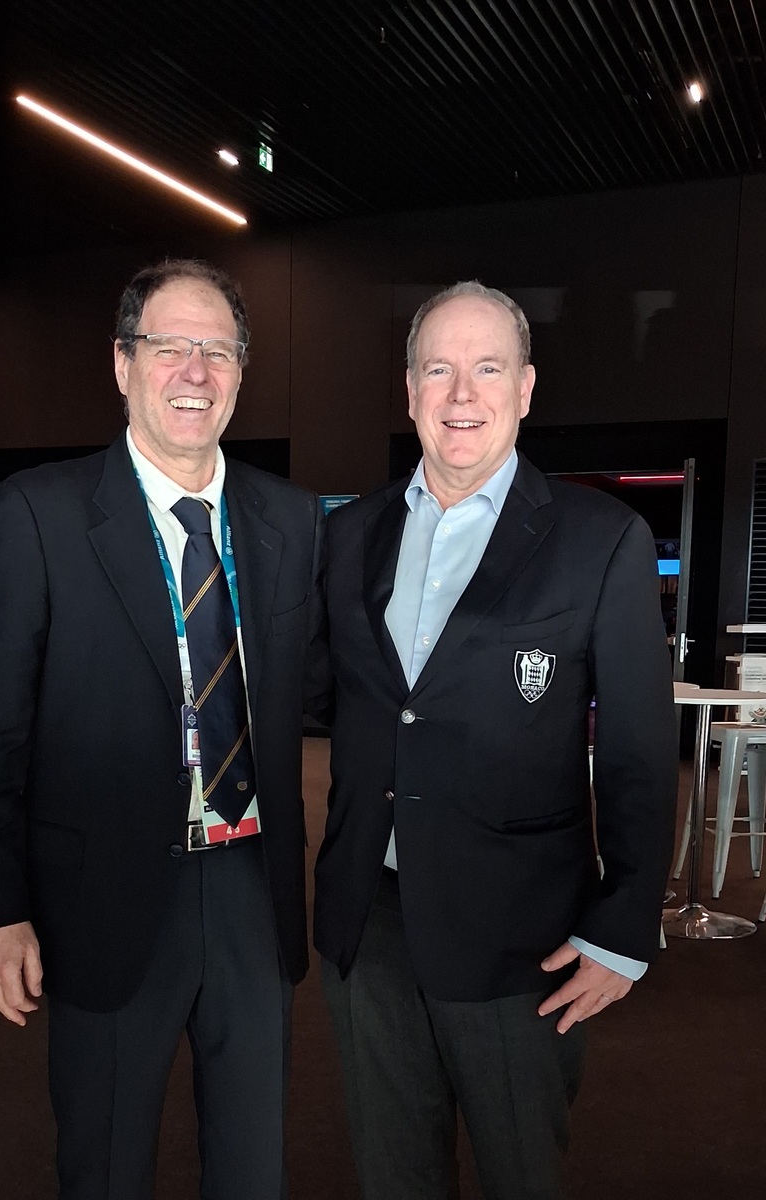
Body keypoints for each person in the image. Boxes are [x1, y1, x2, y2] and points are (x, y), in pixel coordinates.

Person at [0, 259, 324, 1200]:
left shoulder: (289, 519)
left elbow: (325, 688)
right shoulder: (41, 513)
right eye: (169, 347)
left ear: (241, 371)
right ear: (122, 364)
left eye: (218, 350)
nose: (195, 371)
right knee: (106, 1167)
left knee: (254, 1168)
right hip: (104, 899)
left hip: (252, 888)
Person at [312, 282, 678, 1199]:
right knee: (393, 1177)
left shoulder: (602, 540)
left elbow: (637, 749)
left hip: (523, 936)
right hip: (371, 918)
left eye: (487, 368)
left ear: (525, 387)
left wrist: (625, 926)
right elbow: (329, 699)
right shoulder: (348, 536)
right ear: (410, 390)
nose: (462, 393)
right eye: (439, 369)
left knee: (522, 1175)